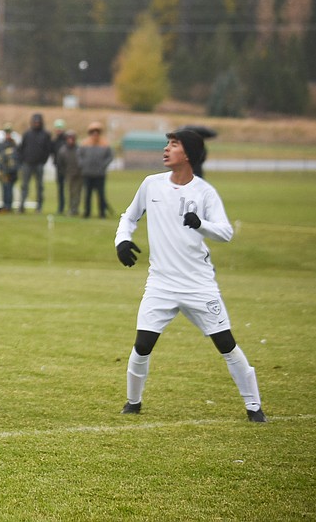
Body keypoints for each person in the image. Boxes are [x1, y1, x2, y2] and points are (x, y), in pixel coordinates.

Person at [115, 128, 266, 423]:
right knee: (142, 344)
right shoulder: (151, 184)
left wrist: (201, 225)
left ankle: (254, 407)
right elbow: (129, 217)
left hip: (199, 286)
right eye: (167, 144)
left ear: (189, 155)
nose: (166, 149)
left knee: (226, 344)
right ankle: (133, 403)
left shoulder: (205, 192)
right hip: (160, 284)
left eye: (174, 144)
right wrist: (121, 241)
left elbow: (225, 233)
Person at [17, 112, 53, 213]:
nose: (36, 123)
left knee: (39, 186)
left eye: (38, 122)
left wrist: (43, 161)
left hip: (39, 164)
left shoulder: (46, 134)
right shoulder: (27, 134)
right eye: (35, 122)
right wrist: (22, 160)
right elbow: (21, 148)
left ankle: (39, 206)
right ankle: (21, 206)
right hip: (27, 164)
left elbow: (48, 149)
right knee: (24, 185)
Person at [78, 121, 114, 218]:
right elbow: (79, 156)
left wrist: (103, 165)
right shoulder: (85, 143)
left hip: (99, 174)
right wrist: (83, 165)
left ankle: (102, 213)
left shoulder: (105, 144)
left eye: (97, 131)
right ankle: (87, 212)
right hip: (87, 173)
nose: (95, 134)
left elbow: (110, 157)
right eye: (93, 131)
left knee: (101, 194)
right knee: (87, 194)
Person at [56, 130, 84, 215]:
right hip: (69, 173)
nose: (71, 140)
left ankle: (76, 208)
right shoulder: (63, 150)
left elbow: (83, 160)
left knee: (78, 192)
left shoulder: (79, 149)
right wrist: (65, 172)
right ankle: (71, 209)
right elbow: (60, 163)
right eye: (69, 138)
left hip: (79, 173)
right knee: (71, 192)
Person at [0, 124, 19, 212]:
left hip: (11, 172)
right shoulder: (2, 145)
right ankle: (5, 205)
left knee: (9, 189)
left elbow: (16, 158)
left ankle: (9, 206)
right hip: (3, 172)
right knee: (4, 189)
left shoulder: (14, 144)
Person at [51, 118, 68, 214]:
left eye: (60, 128)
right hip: (58, 167)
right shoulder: (54, 141)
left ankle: (70, 208)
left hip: (67, 168)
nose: (59, 130)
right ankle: (61, 207)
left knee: (69, 188)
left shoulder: (67, 139)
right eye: (57, 128)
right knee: (60, 188)